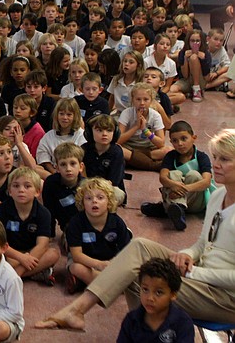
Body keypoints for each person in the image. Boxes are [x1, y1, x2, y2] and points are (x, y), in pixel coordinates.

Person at [36, 127, 235, 331]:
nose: (216, 164)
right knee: (139, 247)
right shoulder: (219, 196)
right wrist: (187, 255)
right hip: (202, 274)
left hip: (225, 297)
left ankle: (141, 332)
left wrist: (194, 273)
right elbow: (203, 243)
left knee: (137, 277)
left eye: (225, 160)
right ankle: (77, 310)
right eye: (215, 157)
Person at [116, 258, 195, 343]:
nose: (150, 298)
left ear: (173, 295)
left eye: (158, 292)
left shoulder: (183, 323)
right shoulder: (131, 320)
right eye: (145, 289)